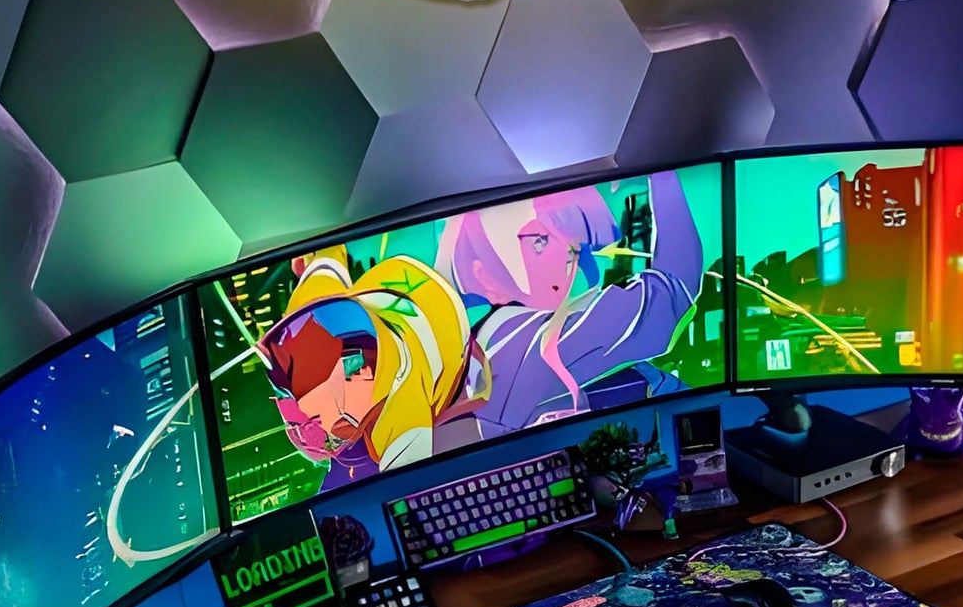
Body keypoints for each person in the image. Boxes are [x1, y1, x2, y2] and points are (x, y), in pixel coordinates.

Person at [437, 171, 703, 437]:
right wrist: (662, 173)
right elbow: (674, 288)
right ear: (482, 275)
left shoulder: (475, 349)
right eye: (539, 242)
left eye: (573, 248)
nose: (566, 257)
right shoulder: (540, 345)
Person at [257, 247, 484, 491]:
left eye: (318, 419)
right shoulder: (316, 316)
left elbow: (408, 491)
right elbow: (324, 272)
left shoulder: (403, 420)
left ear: (360, 372)